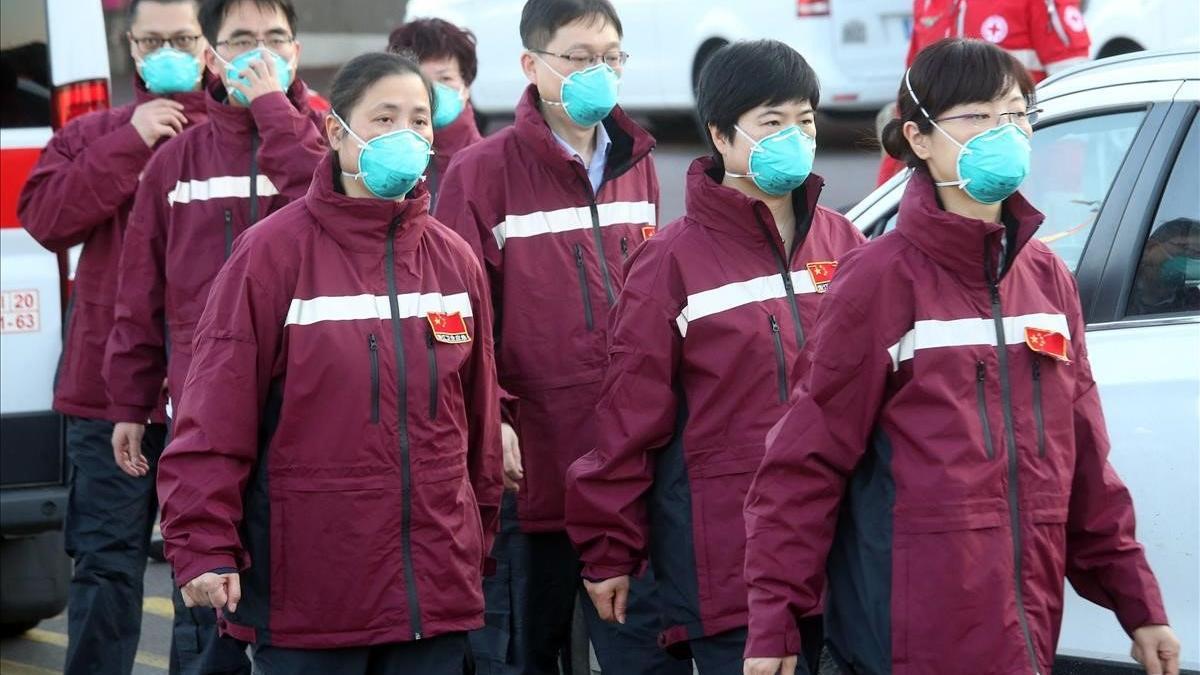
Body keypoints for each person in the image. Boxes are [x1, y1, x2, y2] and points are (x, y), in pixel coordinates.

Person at [743, 38, 1181, 675]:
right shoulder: (878, 280)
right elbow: (804, 463)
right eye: (978, 116)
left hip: (1023, 635)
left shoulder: (1046, 279)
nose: (1004, 132)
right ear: (919, 139)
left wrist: (1139, 606)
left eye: (1016, 113)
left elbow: (1086, 465)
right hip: (905, 641)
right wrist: (774, 622)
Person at [154, 50, 503, 675]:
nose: (407, 135)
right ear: (337, 132)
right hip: (309, 599)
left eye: (420, 120)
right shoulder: (271, 255)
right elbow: (213, 415)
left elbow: (476, 429)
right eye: (385, 118)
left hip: (435, 595)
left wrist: (474, 546)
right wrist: (203, 543)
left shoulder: (454, 260)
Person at [565, 40, 865, 674]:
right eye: (772, 123)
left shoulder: (846, 244)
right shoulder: (672, 262)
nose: (795, 137)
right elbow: (628, 418)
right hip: (733, 563)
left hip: (842, 553)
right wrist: (610, 549)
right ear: (721, 137)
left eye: (805, 120)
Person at [434, 1, 680, 673]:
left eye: (611, 57)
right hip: (528, 474)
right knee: (523, 656)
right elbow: (454, 323)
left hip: (625, 472)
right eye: (578, 57)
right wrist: (497, 420)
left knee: (645, 656)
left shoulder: (639, 164)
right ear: (532, 65)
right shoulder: (481, 174)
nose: (597, 71)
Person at [103, 0, 324, 670]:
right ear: (212, 56)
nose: (261, 53)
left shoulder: (324, 139)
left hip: (308, 406)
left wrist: (272, 110)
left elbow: (322, 191)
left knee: (306, 589)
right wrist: (130, 402)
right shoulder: (178, 162)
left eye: (275, 38)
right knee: (205, 609)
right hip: (206, 410)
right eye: (242, 40)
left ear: (297, 50)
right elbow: (140, 291)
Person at [17, 1, 209, 672]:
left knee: (208, 579)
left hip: (210, 395)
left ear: (207, 44)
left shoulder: (235, 140)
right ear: (131, 48)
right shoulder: (96, 132)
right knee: (105, 569)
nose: (168, 51)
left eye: (182, 38)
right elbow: (45, 218)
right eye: (152, 39)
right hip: (106, 393)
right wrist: (130, 140)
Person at [877, 0, 1091, 185]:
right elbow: (912, 100)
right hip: (948, 177)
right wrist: (885, 194)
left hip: (1028, 168)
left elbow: (1074, 92)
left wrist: (1063, 183)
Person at [387, 17, 484, 206]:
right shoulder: (379, 161)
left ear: (466, 86)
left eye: (445, 78)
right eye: (420, 79)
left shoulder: (490, 164)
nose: (432, 91)